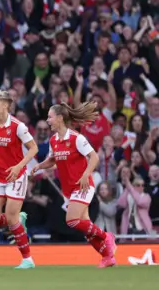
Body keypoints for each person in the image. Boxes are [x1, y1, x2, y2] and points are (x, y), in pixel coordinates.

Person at [32, 102, 117, 268]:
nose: (48, 120)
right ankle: (108, 257)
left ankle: (107, 236)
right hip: (69, 190)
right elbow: (52, 160)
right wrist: (39, 166)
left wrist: (86, 175)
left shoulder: (77, 138)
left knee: (71, 220)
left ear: (60, 118)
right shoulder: (53, 140)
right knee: (85, 227)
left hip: (83, 186)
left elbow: (94, 158)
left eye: (50, 117)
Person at [0, 90, 39, 269]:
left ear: (6, 105)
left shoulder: (18, 126)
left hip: (16, 176)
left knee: (12, 219)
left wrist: (19, 166)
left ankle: (28, 259)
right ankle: (18, 220)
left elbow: (33, 148)